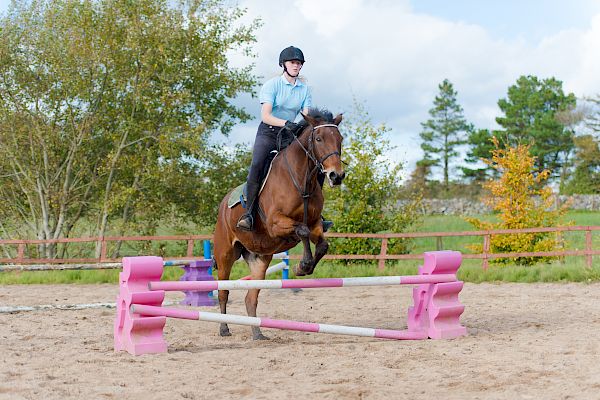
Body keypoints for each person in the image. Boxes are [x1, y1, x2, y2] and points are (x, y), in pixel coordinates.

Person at [236, 46, 333, 232]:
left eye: (299, 63)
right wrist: (286, 122)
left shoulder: (304, 89)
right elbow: (266, 115)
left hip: (290, 134)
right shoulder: (272, 85)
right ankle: (248, 214)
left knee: (316, 164)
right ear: (284, 65)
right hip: (269, 131)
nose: (296, 66)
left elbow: (306, 116)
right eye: (293, 62)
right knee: (257, 164)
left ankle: (317, 214)